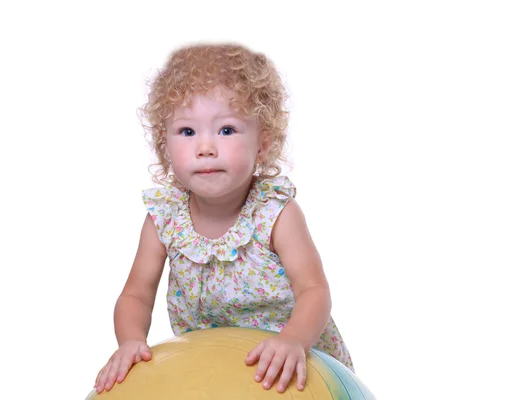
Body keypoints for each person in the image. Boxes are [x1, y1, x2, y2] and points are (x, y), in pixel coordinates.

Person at [94, 43, 353, 394]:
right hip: (213, 364)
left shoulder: (275, 213)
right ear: (164, 145)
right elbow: (136, 296)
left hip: (288, 360)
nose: (206, 147)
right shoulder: (164, 217)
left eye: (226, 130)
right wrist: (130, 341)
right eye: (187, 132)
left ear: (262, 143)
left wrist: (294, 340)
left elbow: (314, 290)